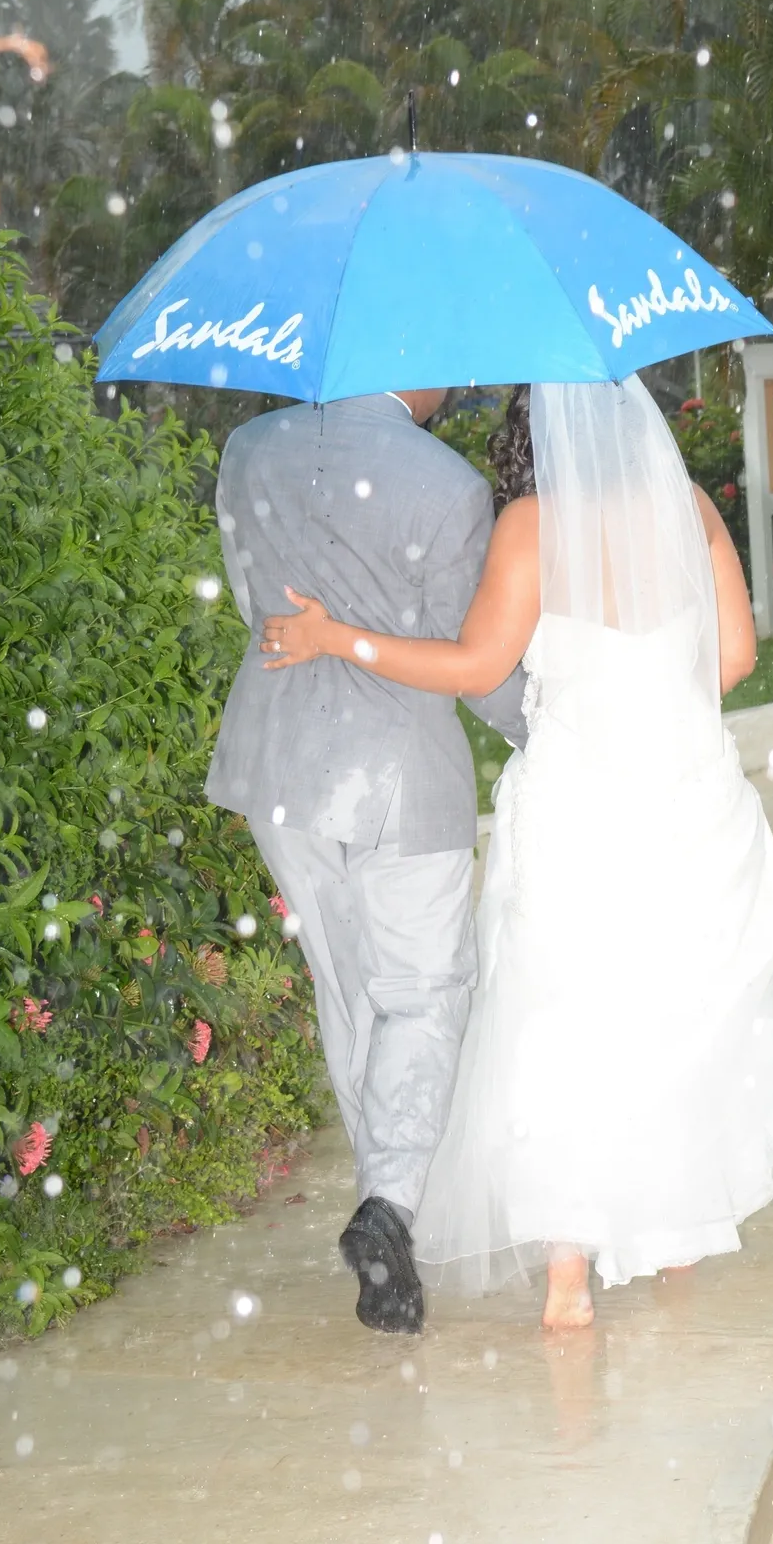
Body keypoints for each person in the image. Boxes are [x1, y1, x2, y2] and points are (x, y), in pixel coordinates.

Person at [262, 376, 773, 1328]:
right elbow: (734, 661)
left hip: (576, 804)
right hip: (684, 796)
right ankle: (673, 1229)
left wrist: (337, 638)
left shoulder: (531, 527)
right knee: (668, 1005)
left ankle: (568, 1273)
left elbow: (476, 668)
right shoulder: (691, 511)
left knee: (563, 1018)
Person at [207, 389, 527, 1335]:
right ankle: (389, 1205)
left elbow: (249, 602)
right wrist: (546, 729)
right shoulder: (447, 486)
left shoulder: (246, 450)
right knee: (424, 991)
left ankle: (381, 1211)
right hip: (398, 775)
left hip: (279, 766)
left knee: (345, 989)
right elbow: (480, 660)